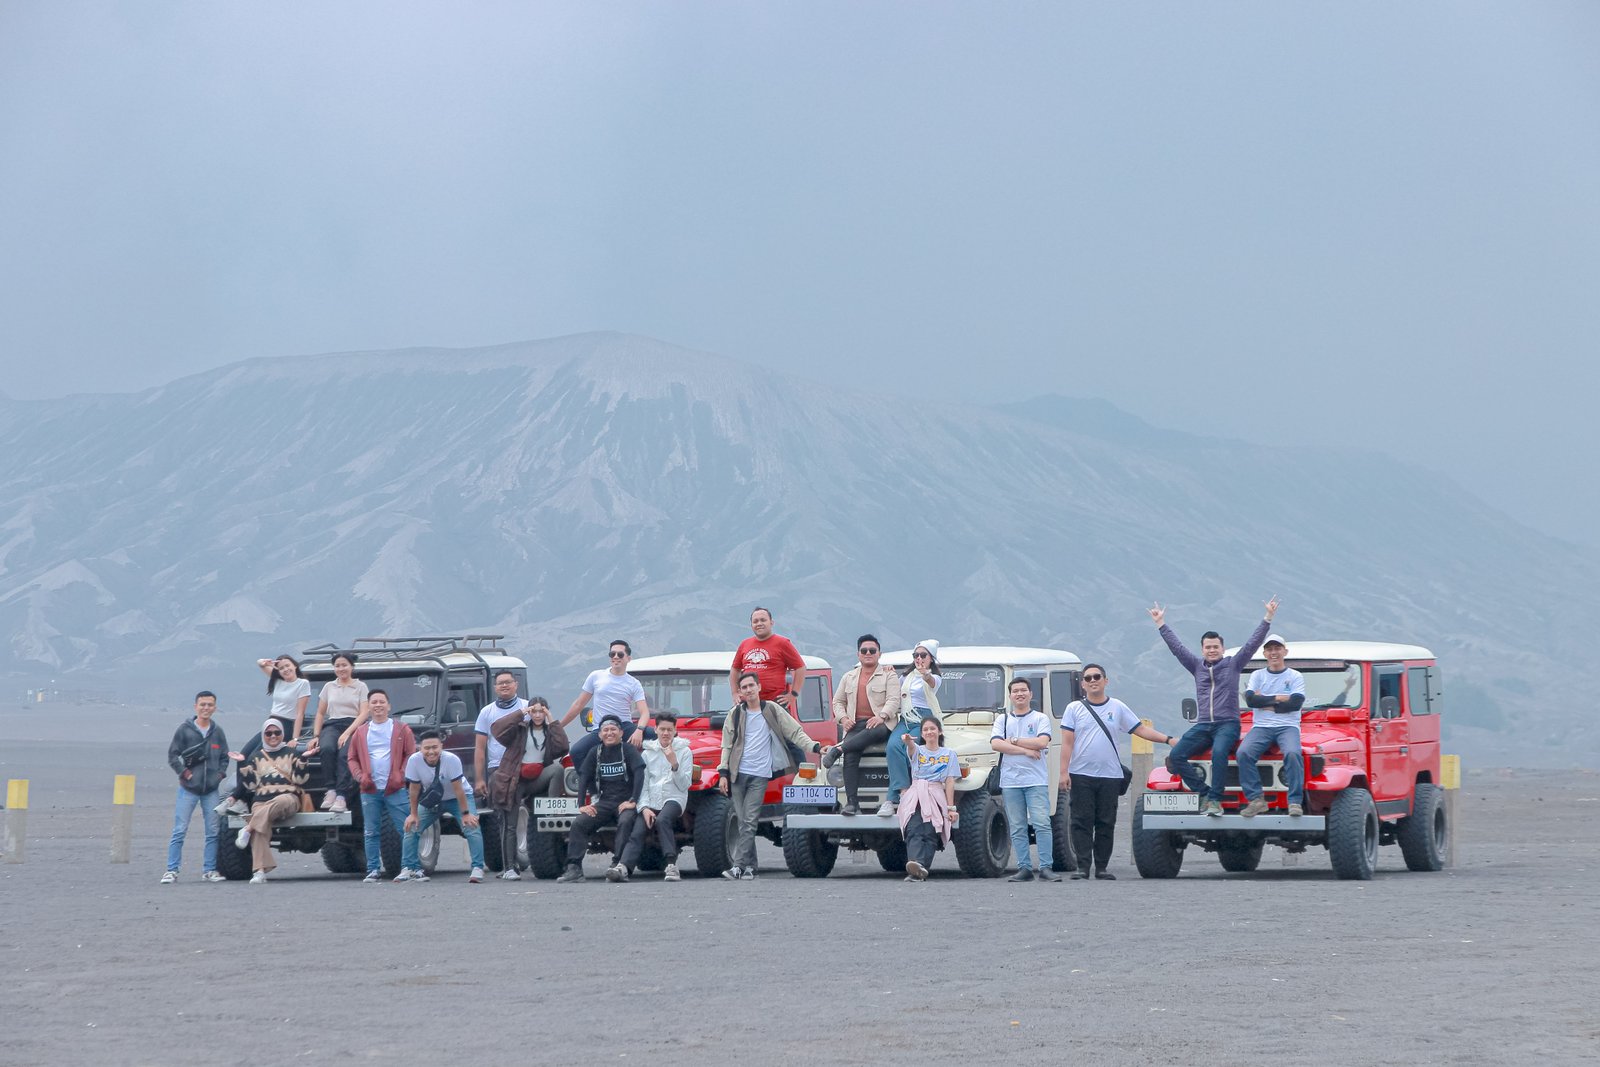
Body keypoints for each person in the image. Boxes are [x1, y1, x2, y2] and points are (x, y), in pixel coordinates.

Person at [1149, 597, 1278, 816]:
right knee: (1177, 755)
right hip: (1203, 725)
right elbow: (1177, 648)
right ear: (1202, 649)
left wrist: (1267, 618)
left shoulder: (1233, 664)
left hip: (1227, 723)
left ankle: (1216, 801)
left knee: (1219, 753)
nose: (1211, 650)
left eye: (1215, 647)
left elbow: (1252, 644)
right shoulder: (1196, 666)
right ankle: (1205, 793)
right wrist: (1161, 624)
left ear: (1222, 648)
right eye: (1207, 647)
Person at [1058, 664, 1176, 880]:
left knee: (1105, 822)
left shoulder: (1118, 707)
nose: (1093, 681)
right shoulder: (1074, 709)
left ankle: (1101, 867)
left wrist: (1167, 739)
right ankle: (1082, 867)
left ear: (1106, 681)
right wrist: (1063, 772)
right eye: (1088, 678)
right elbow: (1067, 743)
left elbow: (1140, 729)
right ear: (1083, 684)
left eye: (1097, 677)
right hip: (1081, 774)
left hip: (1110, 775)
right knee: (1080, 821)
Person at [716, 671, 830, 881]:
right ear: (739, 692)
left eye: (751, 686)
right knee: (743, 821)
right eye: (744, 687)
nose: (748, 690)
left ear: (759, 687)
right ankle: (751, 867)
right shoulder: (735, 714)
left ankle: (738, 867)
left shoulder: (772, 710)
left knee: (750, 820)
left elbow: (794, 732)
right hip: (737, 774)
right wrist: (723, 772)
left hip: (760, 773)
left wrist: (815, 747)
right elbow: (727, 744)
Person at [217, 655, 312, 816]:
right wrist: (270, 663)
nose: (285, 670)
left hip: (285, 726)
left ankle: (238, 798)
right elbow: (260, 664)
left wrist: (295, 739)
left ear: (295, 666)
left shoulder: (302, 684)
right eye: (281, 668)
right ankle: (238, 799)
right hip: (271, 722)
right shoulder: (278, 681)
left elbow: (300, 714)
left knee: (254, 760)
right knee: (243, 756)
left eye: (288, 666)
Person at [556, 716, 645, 884]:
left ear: (621, 733)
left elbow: (639, 772)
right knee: (579, 823)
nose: (609, 733)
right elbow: (584, 776)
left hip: (625, 802)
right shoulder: (595, 752)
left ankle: (618, 864)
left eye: (613, 730)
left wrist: (633, 800)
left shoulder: (628, 750)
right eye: (605, 730)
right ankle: (574, 868)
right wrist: (582, 805)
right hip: (604, 802)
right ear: (600, 735)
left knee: (626, 821)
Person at [488, 696, 569, 880]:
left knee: (557, 769)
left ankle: (551, 809)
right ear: (529, 711)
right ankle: (509, 867)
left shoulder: (549, 732)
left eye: (542, 711)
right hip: (515, 780)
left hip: (537, 778)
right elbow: (497, 730)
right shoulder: (520, 730)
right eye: (535, 711)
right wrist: (520, 713)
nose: (538, 715)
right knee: (510, 825)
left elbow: (563, 747)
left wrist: (552, 719)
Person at [823, 634, 902, 816]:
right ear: (858, 654)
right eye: (864, 650)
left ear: (879, 654)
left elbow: (894, 699)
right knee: (851, 755)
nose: (868, 653)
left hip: (881, 724)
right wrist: (843, 719)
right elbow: (837, 702)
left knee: (873, 730)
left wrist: (881, 716)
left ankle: (838, 750)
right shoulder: (848, 677)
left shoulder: (889, 675)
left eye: (872, 650)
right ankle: (852, 803)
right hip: (855, 724)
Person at [345, 689, 417, 883]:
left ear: (389, 706)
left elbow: (411, 754)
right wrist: (360, 777)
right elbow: (351, 758)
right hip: (369, 790)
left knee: (406, 829)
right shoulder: (360, 732)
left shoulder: (402, 729)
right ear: (368, 707)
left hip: (395, 788)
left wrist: (401, 776)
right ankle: (373, 870)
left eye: (381, 702)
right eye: (374, 702)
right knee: (370, 831)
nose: (378, 705)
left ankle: (411, 867)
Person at [395, 730, 486, 883]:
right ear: (420, 748)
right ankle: (408, 868)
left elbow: (459, 789)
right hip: (432, 800)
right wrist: (413, 814)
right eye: (427, 748)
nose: (431, 751)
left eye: (435, 747)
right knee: (411, 827)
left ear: (441, 747)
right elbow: (414, 789)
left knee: (471, 826)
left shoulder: (452, 760)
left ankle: (477, 868)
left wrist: (465, 813)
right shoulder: (414, 761)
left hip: (458, 798)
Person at [990, 677, 1058, 881]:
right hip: (1011, 781)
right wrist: (1025, 751)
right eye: (1015, 691)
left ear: (1031, 694)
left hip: (1036, 780)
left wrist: (1014, 741)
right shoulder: (1002, 720)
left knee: (1042, 823)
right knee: (1018, 825)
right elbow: (996, 744)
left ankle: (1046, 867)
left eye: (1023, 690)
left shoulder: (1040, 718)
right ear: (1010, 695)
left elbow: (1042, 742)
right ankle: (1024, 868)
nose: (1019, 694)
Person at [162, 691, 231, 884]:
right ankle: (171, 870)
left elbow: (225, 756)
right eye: (202, 704)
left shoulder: (218, 732)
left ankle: (209, 870)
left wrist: (219, 775)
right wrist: (185, 773)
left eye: (210, 705)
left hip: (210, 789)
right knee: (180, 829)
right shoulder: (184, 730)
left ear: (215, 708)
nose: (206, 708)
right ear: (195, 706)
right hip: (188, 789)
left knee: (213, 831)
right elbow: (173, 756)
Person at [617, 711, 693, 882]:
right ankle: (623, 867)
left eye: (669, 730)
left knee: (662, 820)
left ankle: (671, 864)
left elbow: (684, 785)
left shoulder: (684, 751)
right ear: (656, 730)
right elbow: (643, 786)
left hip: (674, 797)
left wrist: (674, 764)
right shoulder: (647, 753)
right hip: (651, 799)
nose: (666, 733)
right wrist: (643, 808)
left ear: (675, 731)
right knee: (639, 827)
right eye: (662, 729)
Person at [234, 719, 311, 884]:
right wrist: (242, 763)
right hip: (261, 800)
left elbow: (300, 779)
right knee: (261, 828)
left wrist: (303, 760)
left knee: (281, 801)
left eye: (277, 733)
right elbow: (251, 784)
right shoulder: (256, 756)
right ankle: (260, 872)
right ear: (264, 735)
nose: (273, 736)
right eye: (269, 733)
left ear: (283, 734)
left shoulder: (292, 752)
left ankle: (248, 827)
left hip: (288, 798)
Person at [1238, 634, 1307, 818]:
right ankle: (1256, 799)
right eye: (1269, 649)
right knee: (1243, 753)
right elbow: (1251, 700)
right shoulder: (1257, 675)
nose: (1273, 652)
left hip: (1288, 726)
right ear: (1264, 653)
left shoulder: (1295, 676)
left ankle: (1294, 801)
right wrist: (1278, 698)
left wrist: (1265, 702)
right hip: (1261, 726)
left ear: (1285, 651)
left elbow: (1295, 703)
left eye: (1277, 648)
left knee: (1293, 754)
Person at [561, 642, 651, 774]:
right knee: (576, 752)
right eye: (612, 654)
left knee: (659, 737)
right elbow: (578, 704)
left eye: (620, 654)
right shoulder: (596, 676)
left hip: (624, 726)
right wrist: (559, 725)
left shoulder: (634, 683)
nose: (615, 657)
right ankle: (592, 787)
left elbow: (644, 713)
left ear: (628, 659)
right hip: (600, 728)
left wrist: (639, 730)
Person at [882, 639, 943, 816]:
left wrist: (925, 674)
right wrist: (889, 673)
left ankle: (892, 796)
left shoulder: (935, 678)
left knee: (910, 747)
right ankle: (902, 791)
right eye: (916, 655)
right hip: (906, 717)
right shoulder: (906, 677)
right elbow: (894, 690)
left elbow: (931, 683)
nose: (919, 658)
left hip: (924, 719)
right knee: (893, 746)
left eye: (923, 655)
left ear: (931, 658)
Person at [897, 716, 960, 881]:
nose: (929, 732)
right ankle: (916, 865)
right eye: (925, 729)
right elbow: (910, 747)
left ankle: (921, 868)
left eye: (932, 728)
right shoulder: (918, 750)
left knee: (932, 830)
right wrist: (907, 740)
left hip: (936, 793)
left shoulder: (949, 754)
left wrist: (951, 808)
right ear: (922, 734)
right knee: (913, 827)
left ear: (939, 731)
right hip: (916, 793)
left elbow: (950, 781)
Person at [308, 653, 369, 813]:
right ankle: (331, 790)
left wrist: (347, 733)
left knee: (345, 754)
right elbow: (320, 713)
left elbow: (363, 713)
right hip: (333, 724)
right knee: (326, 748)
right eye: (337, 665)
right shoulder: (329, 686)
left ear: (352, 667)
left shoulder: (360, 686)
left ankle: (342, 795)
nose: (341, 668)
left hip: (354, 725)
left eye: (344, 665)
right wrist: (316, 736)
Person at [728, 607, 806, 715]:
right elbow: (735, 669)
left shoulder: (783, 643)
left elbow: (800, 667)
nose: (759, 623)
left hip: (774, 703)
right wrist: (735, 693)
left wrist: (793, 694)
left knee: (777, 732)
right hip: (749, 703)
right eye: (755, 621)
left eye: (763, 620)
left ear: (771, 622)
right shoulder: (744, 644)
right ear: (751, 625)